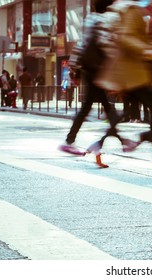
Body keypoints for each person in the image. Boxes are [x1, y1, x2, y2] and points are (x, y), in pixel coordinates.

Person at [92, 0, 152, 168]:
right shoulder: (130, 9)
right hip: (134, 70)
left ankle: (98, 145)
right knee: (151, 108)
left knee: (132, 110)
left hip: (128, 71)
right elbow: (127, 38)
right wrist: (149, 52)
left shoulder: (123, 9)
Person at [59, 0, 136, 167]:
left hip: (90, 69)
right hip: (99, 70)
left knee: (105, 107)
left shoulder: (91, 19)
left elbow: (82, 44)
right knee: (95, 107)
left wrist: (76, 67)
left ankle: (120, 140)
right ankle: (70, 141)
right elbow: (108, 45)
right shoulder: (106, 20)